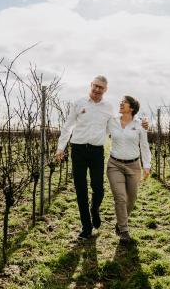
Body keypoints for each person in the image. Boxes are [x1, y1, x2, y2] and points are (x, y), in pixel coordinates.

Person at [55, 75, 113, 240]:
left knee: (98, 188)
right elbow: (68, 126)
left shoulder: (108, 107)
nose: (97, 90)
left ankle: (94, 209)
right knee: (80, 189)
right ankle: (86, 227)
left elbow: (112, 129)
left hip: (96, 151)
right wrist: (61, 147)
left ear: (105, 90)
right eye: (95, 86)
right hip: (78, 150)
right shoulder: (79, 103)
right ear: (91, 85)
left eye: (101, 87)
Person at [106, 95, 151, 243]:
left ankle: (120, 222)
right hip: (115, 164)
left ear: (131, 108)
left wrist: (146, 165)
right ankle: (124, 230)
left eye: (124, 102)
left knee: (131, 199)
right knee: (120, 197)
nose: (121, 104)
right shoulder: (112, 122)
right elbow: (98, 130)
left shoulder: (140, 125)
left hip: (134, 165)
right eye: (120, 102)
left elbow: (144, 146)